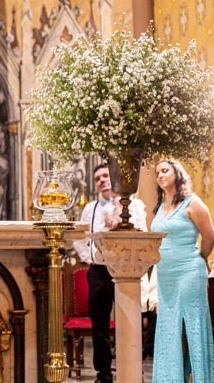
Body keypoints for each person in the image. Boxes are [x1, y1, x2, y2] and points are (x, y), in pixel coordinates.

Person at [72, 163, 147, 383]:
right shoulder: (91, 208)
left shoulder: (133, 205)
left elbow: (141, 230)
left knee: (130, 322)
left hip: (126, 271)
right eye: (98, 178)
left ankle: (133, 371)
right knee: (100, 327)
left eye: (106, 176)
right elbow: (80, 238)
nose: (102, 180)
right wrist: (90, 258)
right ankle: (103, 374)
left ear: (114, 177)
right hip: (99, 272)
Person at [151, 159, 214, 383]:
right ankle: (170, 378)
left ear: (178, 173)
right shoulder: (159, 206)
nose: (160, 175)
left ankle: (200, 378)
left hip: (189, 270)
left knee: (192, 326)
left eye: (165, 170)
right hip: (165, 274)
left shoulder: (193, 202)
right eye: (157, 172)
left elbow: (209, 236)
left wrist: (201, 258)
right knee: (168, 327)